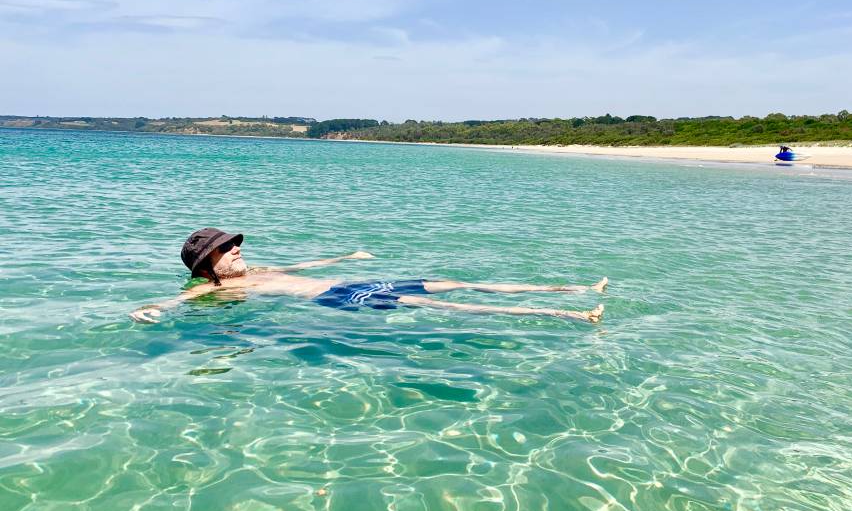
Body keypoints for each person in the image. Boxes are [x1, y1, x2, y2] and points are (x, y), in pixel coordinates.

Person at [129, 228, 607, 325]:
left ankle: (572, 287)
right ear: (208, 265)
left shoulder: (260, 270)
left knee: (448, 281)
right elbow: (184, 303)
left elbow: (304, 267)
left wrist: (347, 253)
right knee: (438, 304)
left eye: (235, 246)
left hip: (353, 284)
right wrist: (153, 307)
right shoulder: (221, 288)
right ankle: (569, 313)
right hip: (341, 302)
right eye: (225, 250)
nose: (236, 251)